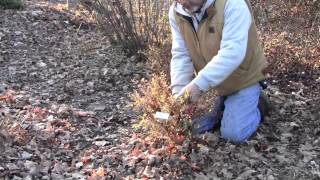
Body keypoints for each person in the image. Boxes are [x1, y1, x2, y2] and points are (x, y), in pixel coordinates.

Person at [169, 0, 271, 143]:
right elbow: (181, 54)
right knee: (195, 127)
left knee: (234, 134)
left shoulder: (233, 4)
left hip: (243, 79)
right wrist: (178, 92)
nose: (179, 3)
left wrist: (198, 85)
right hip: (213, 84)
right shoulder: (176, 12)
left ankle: (260, 104)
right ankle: (225, 105)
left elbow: (232, 52)